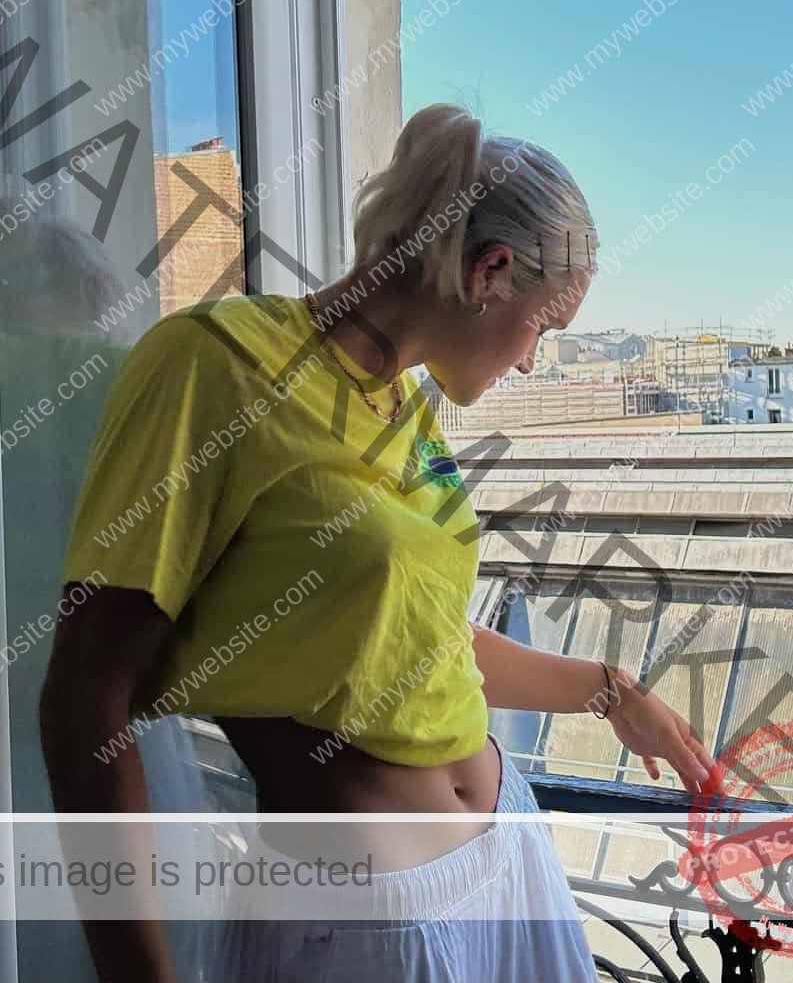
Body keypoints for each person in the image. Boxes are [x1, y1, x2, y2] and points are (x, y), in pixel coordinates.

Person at [39, 103, 715, 981]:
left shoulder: (404, 406)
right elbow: (86, 697)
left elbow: (419, 643)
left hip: (507, 851)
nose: (531, 361)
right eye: (542, 328)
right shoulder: (216, 363)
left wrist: (610, 690)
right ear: (489, 270)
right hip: (366, 912)